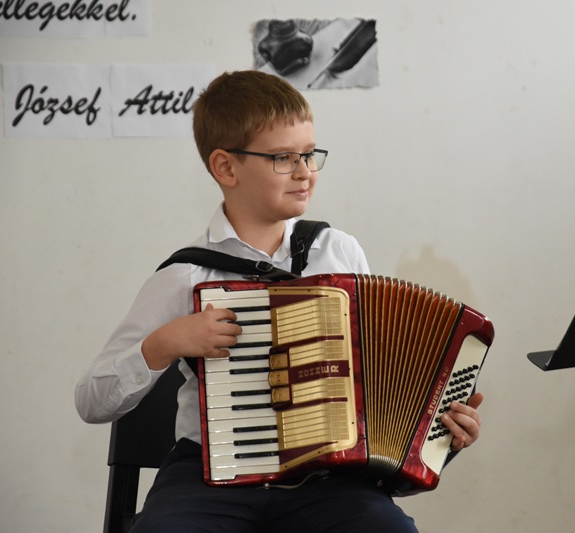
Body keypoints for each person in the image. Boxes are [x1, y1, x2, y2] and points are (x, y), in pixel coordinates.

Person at [75, 70, 483, 532]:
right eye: (284, 158)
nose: (305, 171)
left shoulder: (339, 252)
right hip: (209, 478)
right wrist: (165, 343)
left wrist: (437, 431)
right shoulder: (185, 276)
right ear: (226, 168)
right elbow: (92, 401)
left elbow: (375, 384)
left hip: (328, 479)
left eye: (309, 154)